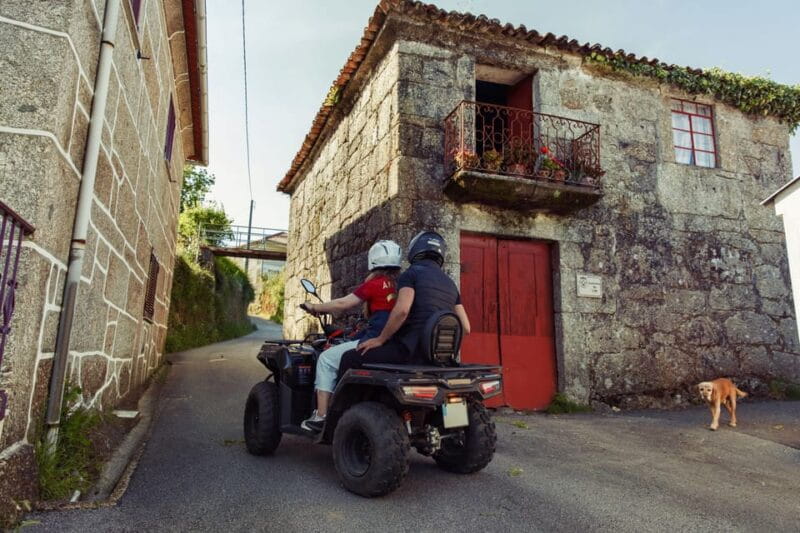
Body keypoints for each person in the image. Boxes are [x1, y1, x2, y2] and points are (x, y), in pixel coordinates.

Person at [300, 240, 402, 432]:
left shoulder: (374, 284)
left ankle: (321, 416)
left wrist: (314, 307)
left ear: (373, 261)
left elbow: (343, 304)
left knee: (325, 359)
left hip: (374, 339)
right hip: (394, 342)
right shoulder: (400, 285)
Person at [337, 230, 470, 376]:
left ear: (415, 249)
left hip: (408, 352)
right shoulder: (451, 284)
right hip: (435, 359)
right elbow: (466, 327)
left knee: (349, 358)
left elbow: (402, 311)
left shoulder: (411, 274)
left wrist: (380, 339)